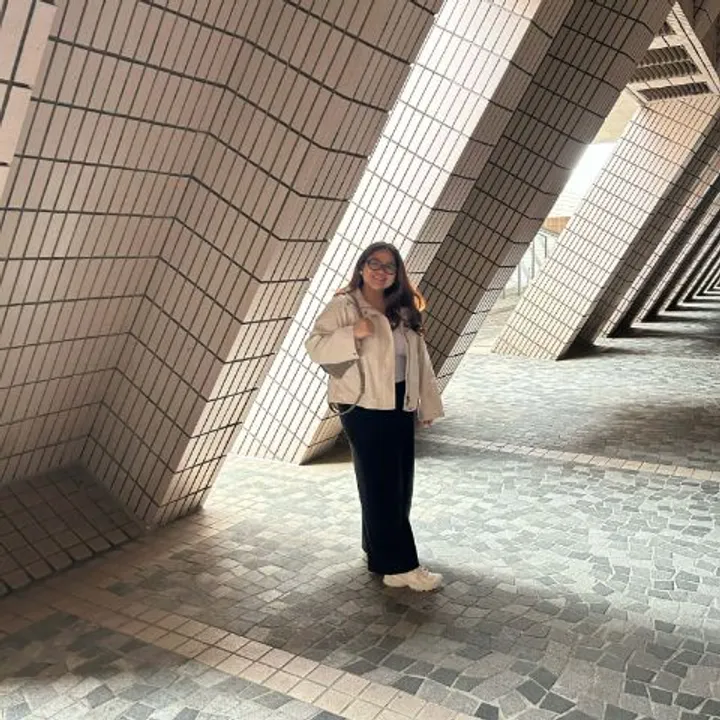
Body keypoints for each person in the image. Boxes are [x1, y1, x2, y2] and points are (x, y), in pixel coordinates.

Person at [305, 242, 444, 591]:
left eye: (389, 266)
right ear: (362, 267)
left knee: (398, 482)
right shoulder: (345, 305)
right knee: (382, 484)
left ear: (397, 274)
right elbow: (315, 346)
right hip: (364, 406)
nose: (381, 271)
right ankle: (399, 565)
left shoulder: (403, 308)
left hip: (399, 402)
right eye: (374, 264)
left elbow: (420, 359)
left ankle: (378, 549)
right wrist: (352, 332)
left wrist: (426, 403)